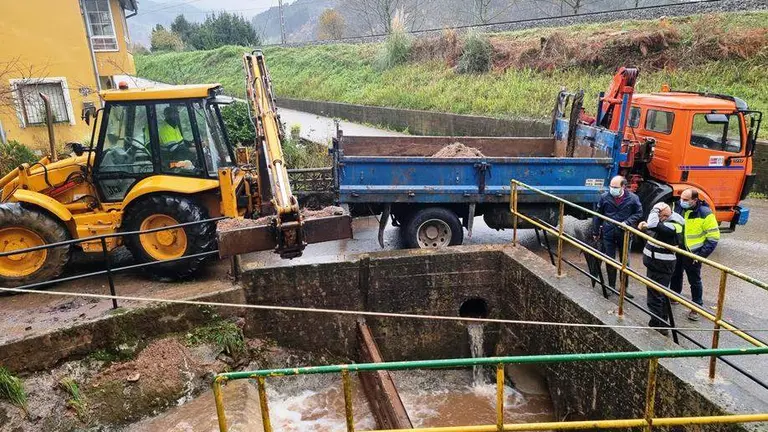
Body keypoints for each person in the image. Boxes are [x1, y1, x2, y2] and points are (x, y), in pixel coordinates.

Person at [671, 188, 720, 321]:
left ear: (695, 200)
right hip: (679, 248)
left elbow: (713, 238)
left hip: (694, 253)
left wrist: (700, 256)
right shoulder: (678, 207)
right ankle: (674, 296)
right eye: (682, 199)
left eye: (686, 200)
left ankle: (696, 307)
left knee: (694, 280)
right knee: (675, 273)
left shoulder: (705, 213)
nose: (682, 202)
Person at [593, 175, 644, 298]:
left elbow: (639, 213)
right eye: (611, 186)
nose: (612, 189)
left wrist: (627, 222)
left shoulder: (633, 198)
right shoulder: (605, 197)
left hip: (624, 234)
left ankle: (623, 289)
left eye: (615, 187)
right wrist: (595, 232)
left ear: (623, 187)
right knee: (610, 260)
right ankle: (611, 287)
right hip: (608, 233)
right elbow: (598, 215)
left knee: (625, 262)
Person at [638, 202, 684, 335]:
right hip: (653, 264)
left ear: (665, 215)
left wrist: (654, 210)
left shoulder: (675, 224)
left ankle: (660, 325)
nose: (658, 218)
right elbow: (654, 230)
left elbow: (655, 226)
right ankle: (657, 322)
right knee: (655, 295)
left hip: (662, 266)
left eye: (659, 215)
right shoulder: (664, 222)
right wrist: (644, 227)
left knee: (657, 296)